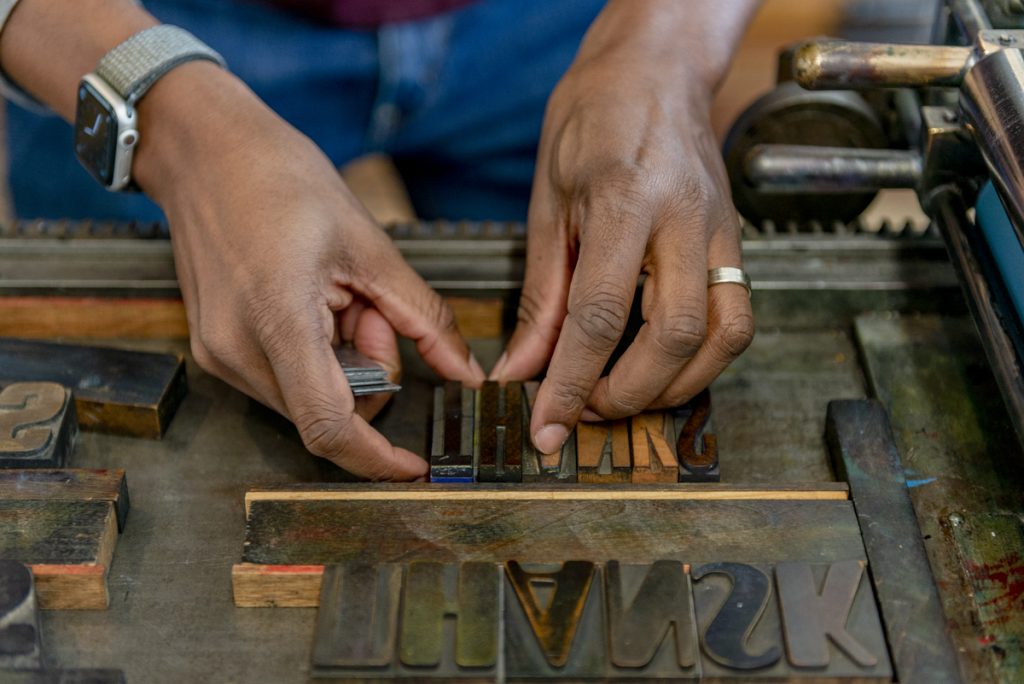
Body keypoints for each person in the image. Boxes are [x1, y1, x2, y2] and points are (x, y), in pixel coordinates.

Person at [0, 0, 757, 480]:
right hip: (135, 21)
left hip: (557, 26)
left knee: (606, 331)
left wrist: (667, 39)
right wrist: (172, 119)